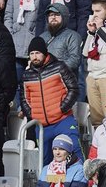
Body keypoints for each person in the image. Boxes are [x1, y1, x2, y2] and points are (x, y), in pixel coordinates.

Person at [20, 37, 80, 165]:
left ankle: (81, 182)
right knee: (44, 161)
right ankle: (48, 185)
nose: (35, 57)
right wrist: (33, 115)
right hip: (42, 126)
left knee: (75, 151)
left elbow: (74, 89)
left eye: (37, 53)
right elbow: (24, 99)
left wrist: (62, 108)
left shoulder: (59, 67)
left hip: (63, 120)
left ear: (45, 53)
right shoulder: (27, 75)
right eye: (32, 54)